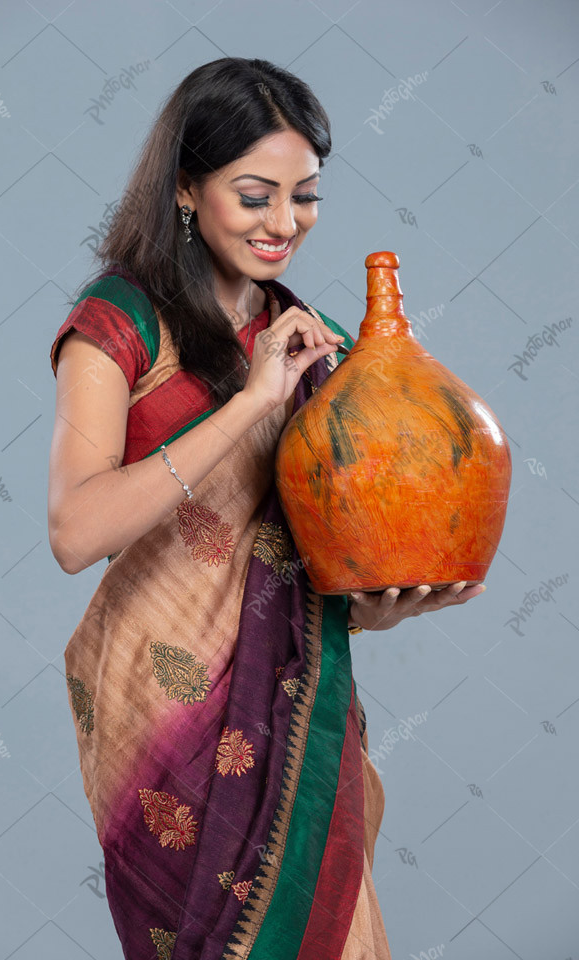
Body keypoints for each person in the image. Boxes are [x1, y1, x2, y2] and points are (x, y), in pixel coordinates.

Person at [48, 57, 485, 960]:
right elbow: (75, 531)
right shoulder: (118, 323)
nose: (285, 223)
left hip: (295, 724)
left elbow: (297, 568)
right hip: (162, 712)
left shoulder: (309, 336)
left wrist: (377, 606)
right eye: (254, 195)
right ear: (185, 188)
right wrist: (250, 400)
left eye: (306, 195)